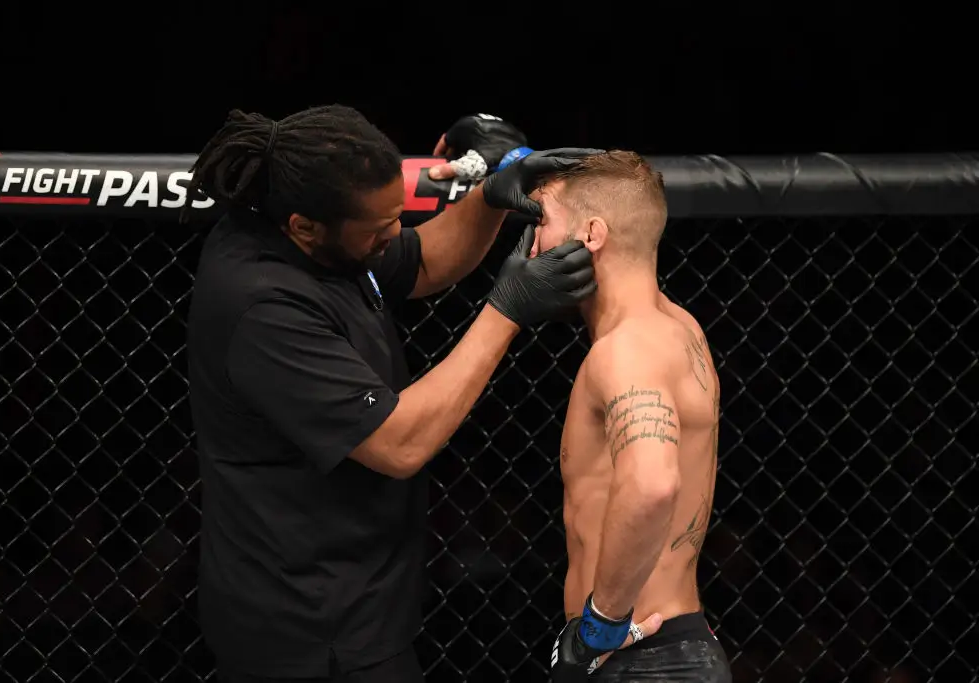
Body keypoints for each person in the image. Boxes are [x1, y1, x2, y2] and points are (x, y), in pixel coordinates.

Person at [182, 104, 601, 683]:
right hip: (304, 628)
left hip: (354, 604)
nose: (394, 236)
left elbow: (426, 259)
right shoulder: (263, 306)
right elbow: (399, 443)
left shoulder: (327, 239)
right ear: (305, 226)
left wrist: (490, 197)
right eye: (379, 230)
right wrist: (508, 309)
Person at [535, 151, 733, 682]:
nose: (533, 247)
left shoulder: (626, 349)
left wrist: (597, 628)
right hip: (673, 643)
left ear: (593, 234)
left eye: (543, 222)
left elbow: (652, 485)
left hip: (641, 658)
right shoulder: (679, 325)